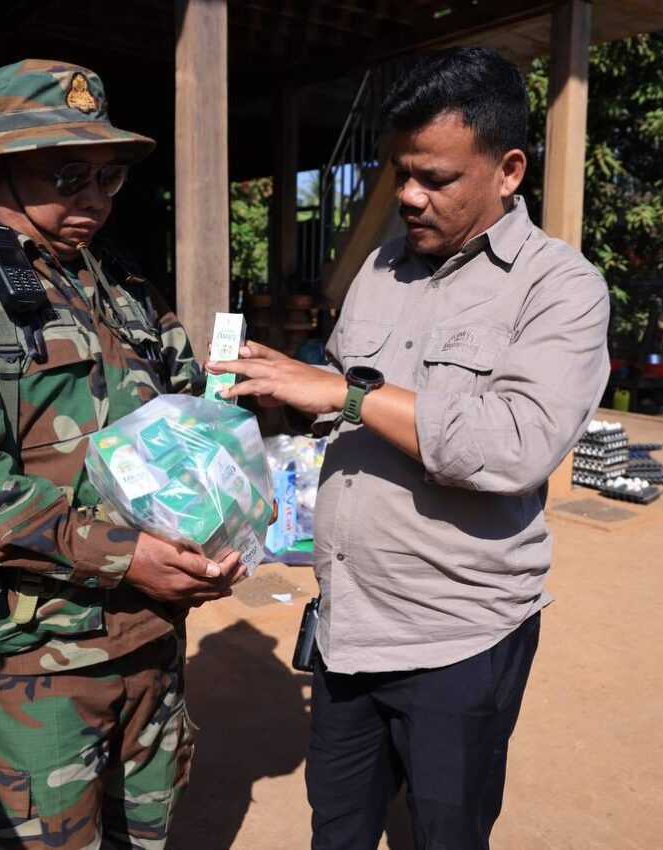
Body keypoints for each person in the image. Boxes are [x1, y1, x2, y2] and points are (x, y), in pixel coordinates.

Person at [209, 47, 610, 849]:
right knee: (339, 832)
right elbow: (339, 408)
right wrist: (274, 398)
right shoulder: (381, 267)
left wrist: (344, 393)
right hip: (348, 626)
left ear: (507, 170)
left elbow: (515, 447)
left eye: (435, 177)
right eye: (400, 172)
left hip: (455, 640)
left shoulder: (559, 288)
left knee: (443, 835)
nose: (408, 196)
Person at [0, 60, 245, 848]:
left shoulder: (121, 282)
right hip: (40, 666)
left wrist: (225, 522)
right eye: (69, 175)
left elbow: (190, 411)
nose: (95, 200)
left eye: (109, 177)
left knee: (144, 833)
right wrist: (124, 556)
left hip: (155, 638)